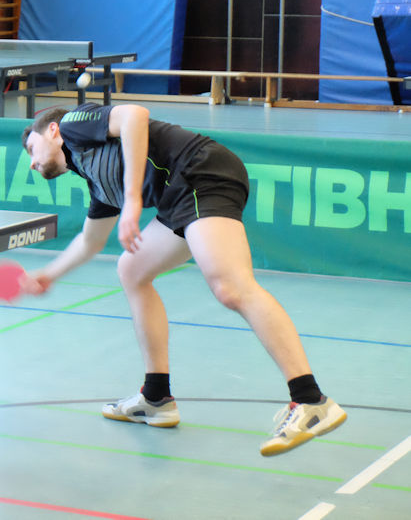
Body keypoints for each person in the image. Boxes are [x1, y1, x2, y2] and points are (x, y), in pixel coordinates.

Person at [19, 103, 346, 456]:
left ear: (52, 131)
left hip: (200, 172)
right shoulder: (98, 178)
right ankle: (156, 397)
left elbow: (134, 115)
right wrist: (49, 274)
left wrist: (133, 201)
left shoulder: (73, 125)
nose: (32, 163)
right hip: (178, 194)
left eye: (32, 149)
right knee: (132, 270)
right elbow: (91, 240)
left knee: (231, 287)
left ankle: (310, 400)